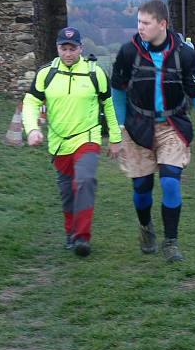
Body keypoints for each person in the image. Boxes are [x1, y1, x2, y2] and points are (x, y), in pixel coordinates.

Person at [111, 0, 195, 262]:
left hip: (172, 126)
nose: (140, 28)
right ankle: (146, 226)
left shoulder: (185, 55)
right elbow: (117, 91)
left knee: (170, 182)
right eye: (138, 22)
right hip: (138, 126)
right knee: (142, 188)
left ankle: (171, 242)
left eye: (145, 23)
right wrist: (120, 127)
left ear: (162, 24)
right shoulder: (128, 52)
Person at [23, 27, 122, 257]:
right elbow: (30, 103)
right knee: (67, 193)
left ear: (81, 48)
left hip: (87, 137)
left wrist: (115, 138)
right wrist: (32, 130)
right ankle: (70, 233)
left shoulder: (95, 73)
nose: (68, 53)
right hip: (59, 142)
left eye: (73, 48)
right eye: (63, 48)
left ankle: (82, 238)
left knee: (85, 181)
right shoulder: (46, 74)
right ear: (57, 48)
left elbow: (109, 105)